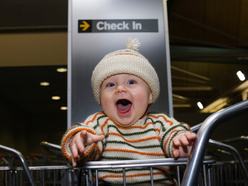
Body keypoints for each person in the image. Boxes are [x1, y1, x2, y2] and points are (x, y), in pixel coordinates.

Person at [61, 37, 196, 185]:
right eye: (110, 84)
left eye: (131, 82)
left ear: (150, 95)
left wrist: (181, 145)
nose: (120, 88)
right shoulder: (99, 123)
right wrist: (81, 143)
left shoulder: (160, 122)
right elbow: (84, 138)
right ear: (100, 99)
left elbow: (175, 134)